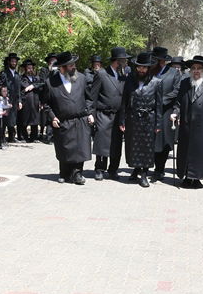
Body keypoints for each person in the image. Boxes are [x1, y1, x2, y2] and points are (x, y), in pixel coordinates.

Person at [43, 51, 94, 184]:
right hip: (62, 122)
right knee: (65, 149)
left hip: (80, 120)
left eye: (74, 64)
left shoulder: (82, 78)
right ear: (62, 67)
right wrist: (52, 117)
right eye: (70, 65)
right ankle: (64, 173)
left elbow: (90, 99)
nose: (73, 67)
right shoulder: (50, 83)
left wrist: (90, 113)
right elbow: (46, 104)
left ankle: (77, 174)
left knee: (80, 149)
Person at [172, 55, 203, 188]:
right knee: (186, 151)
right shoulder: (184, 83)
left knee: (200, 153)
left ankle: (197, 178)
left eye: (199, 68)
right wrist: (175, 113)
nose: (196, 71)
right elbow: (178, 103)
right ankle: (187, 177)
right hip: (186, 126)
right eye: (193, 68)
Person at [119, 52, 162, 188]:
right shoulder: (130, 80)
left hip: (149, 119)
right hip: (133, 119)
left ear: (149, 68)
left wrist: (158, 123)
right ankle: (136, 169)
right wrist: (122, 120)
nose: (141, 70)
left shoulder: (157, 82)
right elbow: (124, 101)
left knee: (147, 148)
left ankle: (144, 174)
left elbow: (159, 105)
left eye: (144, 68)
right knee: (133, 146)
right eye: (139, 67)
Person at [90, 47, 128, 181]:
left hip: (118, 115)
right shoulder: (101, 74)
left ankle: (113, 170)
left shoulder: (124, 76)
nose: (125, 63)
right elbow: (92, 97)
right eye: (124, 61)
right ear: (116, 61)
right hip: (103, 114)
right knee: (102, 142)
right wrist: (92, 114)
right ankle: (100, 168)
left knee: (116, 144)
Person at [151, 47, 181, 182]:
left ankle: (160, 169)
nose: (158, 63)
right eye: (156, 60)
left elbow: (176, 91)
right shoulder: (150, 71)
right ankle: (143, 167)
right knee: (150, 140)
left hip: (165, 111)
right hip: (149, 110)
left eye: (159, 60)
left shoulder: (174, 73)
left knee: (163, 142)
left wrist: (161, 101)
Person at [0, 53, 21, 143]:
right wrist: (2, 95)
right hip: (5, 99)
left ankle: (11, 137)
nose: (14, 63)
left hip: (14, 100)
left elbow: (18, 89)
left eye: (15, 62)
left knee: (12, 119)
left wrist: (19, 101)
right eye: (12, 61)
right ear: (9, 62)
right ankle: (1, 138)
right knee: (5, 118)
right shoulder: (4, 73)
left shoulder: (18, 74)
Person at [19, 60, 44, 142]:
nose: (30, 69)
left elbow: (42, 85)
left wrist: (33, 85)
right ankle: (25, 137)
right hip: (26, 102)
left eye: (31, 68)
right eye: (28, 68)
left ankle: (34, 137)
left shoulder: (36, 78)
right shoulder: (22, 78)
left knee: (35, 120)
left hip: (35, 101)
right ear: (25, 69)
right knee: (24, 120)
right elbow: (24, 87)